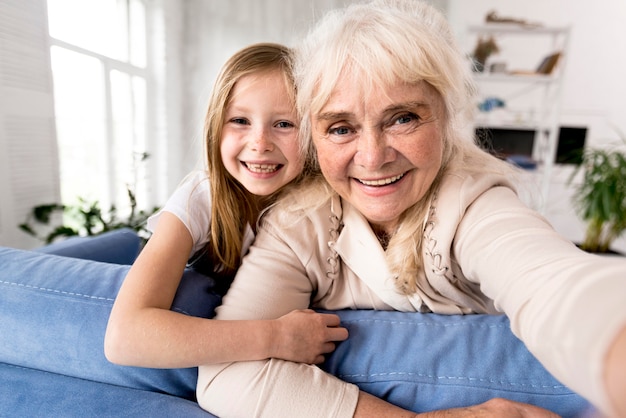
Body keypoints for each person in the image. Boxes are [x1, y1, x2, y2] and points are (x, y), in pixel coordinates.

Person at [195, 1, 626, 417]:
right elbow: (224, 376)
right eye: (341, 128)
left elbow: (554, 284)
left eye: (401, 118)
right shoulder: (297, 224)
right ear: (312, 137)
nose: (373, 156)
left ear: (446, 113)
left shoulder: (473, 203)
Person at [104, 43, 348, 369]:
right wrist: (276, 337)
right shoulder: (201, 195)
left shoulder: (321, 204)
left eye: (284, 124)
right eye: (240, 120)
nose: (260, 143)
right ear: (215, 127)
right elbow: (124, 338)